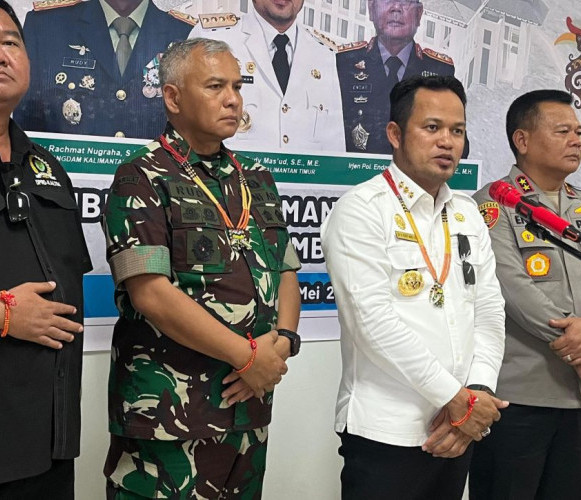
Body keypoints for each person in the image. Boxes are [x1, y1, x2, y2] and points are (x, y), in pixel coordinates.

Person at [101, 37, 302, 499]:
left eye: (237, 86)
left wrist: (283, 343)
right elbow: (150, 294)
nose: (233, 99)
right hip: (169, 420)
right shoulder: (140, 175)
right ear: (173, 97)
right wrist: (247, 356)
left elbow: (286, 269)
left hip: (248, 411)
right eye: (215, 86)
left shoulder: (257, 178)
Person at [321, 75, 507, 499]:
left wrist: (476, 393)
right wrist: (455, 398)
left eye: (457, 131)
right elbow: (373, 324)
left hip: (458, 428)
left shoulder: (467, 213)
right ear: (395, 134)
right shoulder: (361, 210)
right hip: (387, 431)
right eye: (432, 127)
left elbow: (489, 310)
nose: (447, 142)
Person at [469, 89, 581, 500]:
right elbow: (513, 290)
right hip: (518, 398)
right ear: (522, 140)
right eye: (562, 131)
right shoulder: (493, 205)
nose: (576, 140)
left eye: (577, 132)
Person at [0, 1, 92, 498]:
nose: (2, 55)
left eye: (10, 42)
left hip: (47, 444)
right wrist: (4, 315)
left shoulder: (47, 167)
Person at [14, 0, 195, 139]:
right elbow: (27, 124)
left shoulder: (188, 35)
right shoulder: (46, 26)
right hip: (65, 173)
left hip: (155, 176)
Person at [189, 0, 345, 152]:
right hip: (229, 169)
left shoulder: (324, 53)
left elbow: (334, 147)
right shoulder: (211, 38)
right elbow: (188, 126)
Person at [336, 0, 455, 154]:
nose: (396, 8)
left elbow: (457, 145)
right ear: (371, 9)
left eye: (405, 2)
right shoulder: (344, 64)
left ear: (419, 14)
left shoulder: (440, 71)